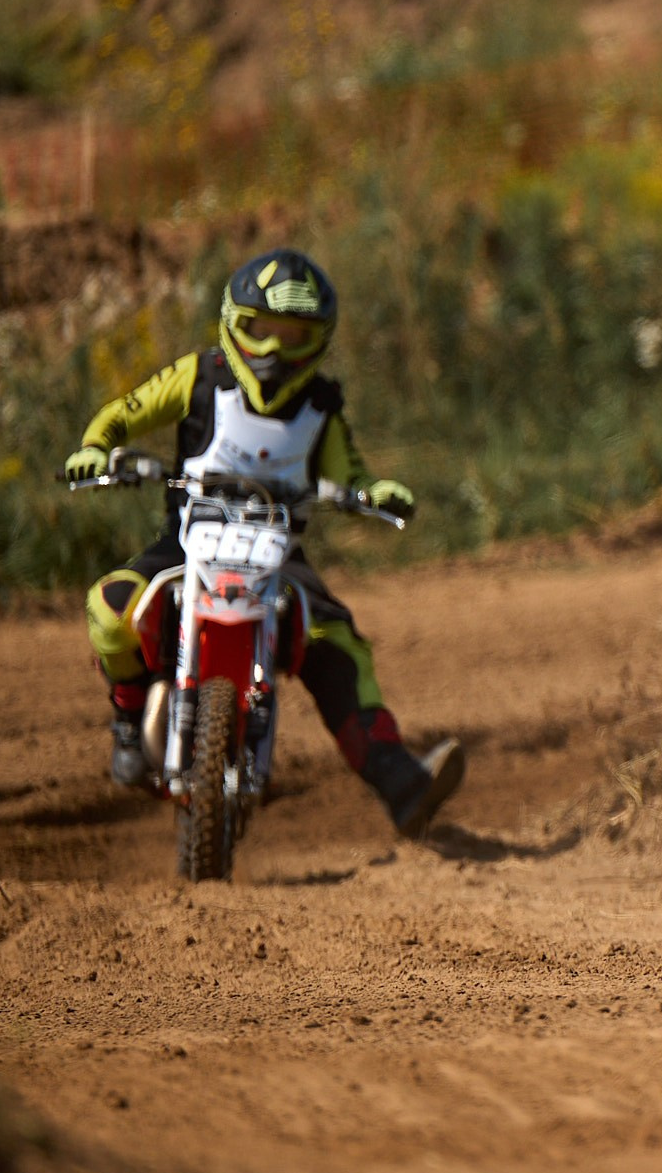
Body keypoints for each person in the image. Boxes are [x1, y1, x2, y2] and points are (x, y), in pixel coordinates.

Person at [61, 249, 465, 838]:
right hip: (186, 543)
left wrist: (374, 491)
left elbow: (349, 473)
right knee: (111, 606)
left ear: (319, 340)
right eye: (262, 332)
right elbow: (124, 412)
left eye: (293, 337)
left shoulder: (322, 407)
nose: (274, 352)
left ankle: (399, 779)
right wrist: (95, 448)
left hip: (279, 555)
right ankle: (128, 723)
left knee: (339, 644)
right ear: (233, 323)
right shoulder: (198, 376)